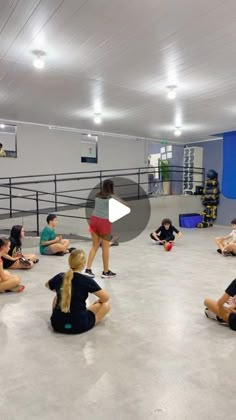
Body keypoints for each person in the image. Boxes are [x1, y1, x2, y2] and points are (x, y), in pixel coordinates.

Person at [45, 249, 110, 334]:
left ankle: (61, 314)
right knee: (106, 305)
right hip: (79, 325)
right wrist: (98, 301)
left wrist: (62, 291)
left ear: (69, 262)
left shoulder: (60, 276)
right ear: (83, 264)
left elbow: (47, 285)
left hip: (57, 324)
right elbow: (105, 298)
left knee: (57, 296)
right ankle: (80, 314)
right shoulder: (86, 280)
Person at [86, 179, 127, 278]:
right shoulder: (111, 197)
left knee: (94, 246)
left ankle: (87, 269)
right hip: (104, 222)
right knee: (105, 247)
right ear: (111, 187)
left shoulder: (97, 196)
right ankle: (106, 271)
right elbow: (125, 205)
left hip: (94, 220)